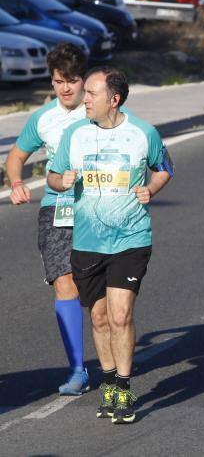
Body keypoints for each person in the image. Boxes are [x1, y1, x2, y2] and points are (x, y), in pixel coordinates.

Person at [47, 67, 174, 424]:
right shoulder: (74, 134)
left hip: (131, 238)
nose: (83, 99)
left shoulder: (143, 133)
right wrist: (62, 181)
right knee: (100, 317)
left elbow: (163, 167)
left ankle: (123, 385)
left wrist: (152, 188)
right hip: (87, 240)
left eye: (91, 93)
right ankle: (107, 379)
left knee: (120, 315)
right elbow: (52, 175)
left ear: (113, 99)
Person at [6, 44, 89, 396]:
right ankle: (77, 369)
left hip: (99, 209)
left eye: (71, 81)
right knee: (63, 282)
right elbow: (15, 156)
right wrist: (17, 182)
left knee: (98, 292)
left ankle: (115, 361)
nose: (65, 89)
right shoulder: (42, 118)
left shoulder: (98, 110)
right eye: (59, 82)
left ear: (83, 79)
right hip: (57, 207)